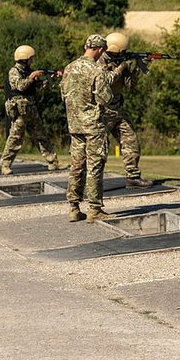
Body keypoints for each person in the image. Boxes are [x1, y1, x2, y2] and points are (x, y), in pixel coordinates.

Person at [61, 35, 112, 223]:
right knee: (94, 167)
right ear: (100, 50)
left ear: (86, 47)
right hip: (93, 126)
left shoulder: (69, 68)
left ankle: (73, 208)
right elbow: (105, 98)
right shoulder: (96, 70)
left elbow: (63, 95)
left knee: (76, 166)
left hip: (74, 125)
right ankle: (95, 209)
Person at [99, 32, 153, 187]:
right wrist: (122, 67)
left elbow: (130, 86)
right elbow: (104, 82)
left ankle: (133, 175)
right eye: (123, 51)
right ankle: (93, 181)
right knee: (100, 148)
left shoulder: (121, 62)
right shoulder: (99, 62)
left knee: (131, 141)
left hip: (118, 107)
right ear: (118, 50)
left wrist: (138, 67)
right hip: (103, 110)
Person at [0, 45, 62, 175]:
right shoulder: (14, 72)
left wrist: (51, 78)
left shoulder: (29, 71)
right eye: (30, 58)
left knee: (41, 135)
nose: (32, 61)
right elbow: (20, 86)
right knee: (15, 137)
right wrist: (31, 77)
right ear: (25, 58)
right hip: (20, 110)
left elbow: (39, 86)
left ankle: (52, 161)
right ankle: (5, 164)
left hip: (31, 108)